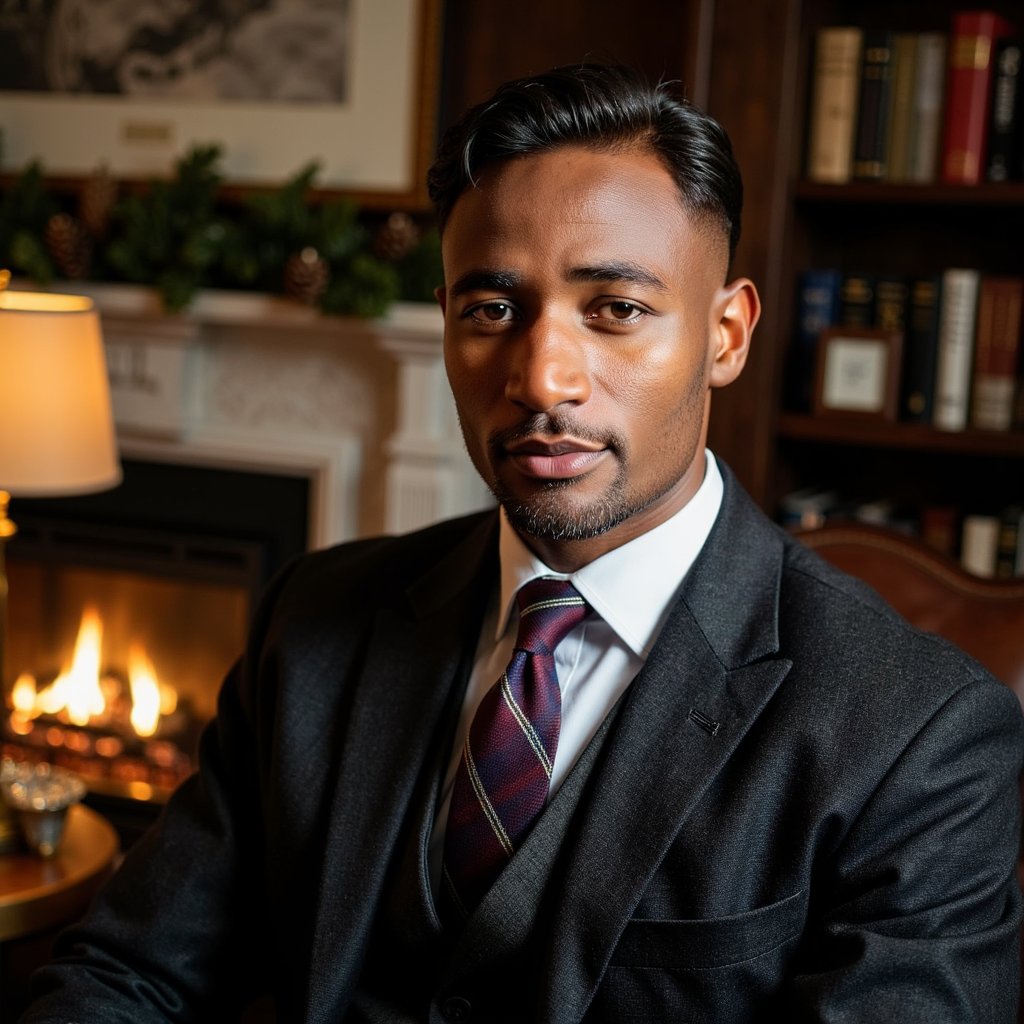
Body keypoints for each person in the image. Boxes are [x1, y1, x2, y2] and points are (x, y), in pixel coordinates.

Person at [18, 64, 1023, 1023]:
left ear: (726, 334)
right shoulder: (312, 620)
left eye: (616, 310)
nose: (543, 378)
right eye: (492, 308)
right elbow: (130, 973)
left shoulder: (918, 738)